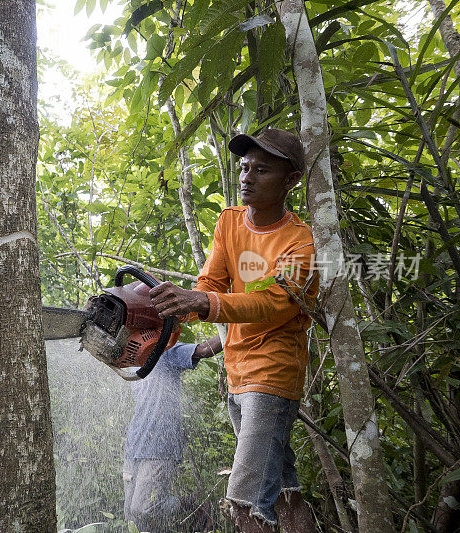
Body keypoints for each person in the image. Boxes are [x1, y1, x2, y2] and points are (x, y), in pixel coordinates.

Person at [147, 128, 319, 533]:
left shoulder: (302, 243)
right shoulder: (230, 222)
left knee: (244, 501)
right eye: (244, 167)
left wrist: (203, 304)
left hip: (273, 375)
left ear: (291, 180)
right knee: (281, 491)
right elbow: (211, 283)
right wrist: (178, 307)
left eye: (262, 170)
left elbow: (275, 303)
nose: (247, 177)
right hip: (238, 370)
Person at [123, 336, 222, 532]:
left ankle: (196, 507)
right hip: (134, 443)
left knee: (144, 508)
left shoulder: (164, 347)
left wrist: (233, 327)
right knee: (131, 515)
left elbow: (202, 350)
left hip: (161, 443)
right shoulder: (129, 356)